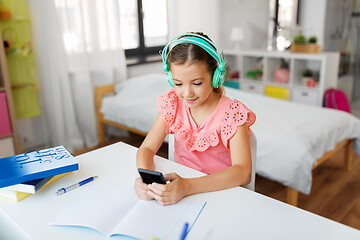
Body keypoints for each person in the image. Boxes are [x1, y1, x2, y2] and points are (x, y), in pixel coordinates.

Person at [134, 32, 256, 205]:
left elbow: (243, 172)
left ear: (216, 77)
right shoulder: (172, 104)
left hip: (220, 193)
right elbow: (146, 148)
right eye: (178, 83)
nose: (187, 93)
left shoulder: (232, 113)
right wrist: (145, 178)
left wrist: (188, 187)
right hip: (181, 193)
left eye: (197, 83)